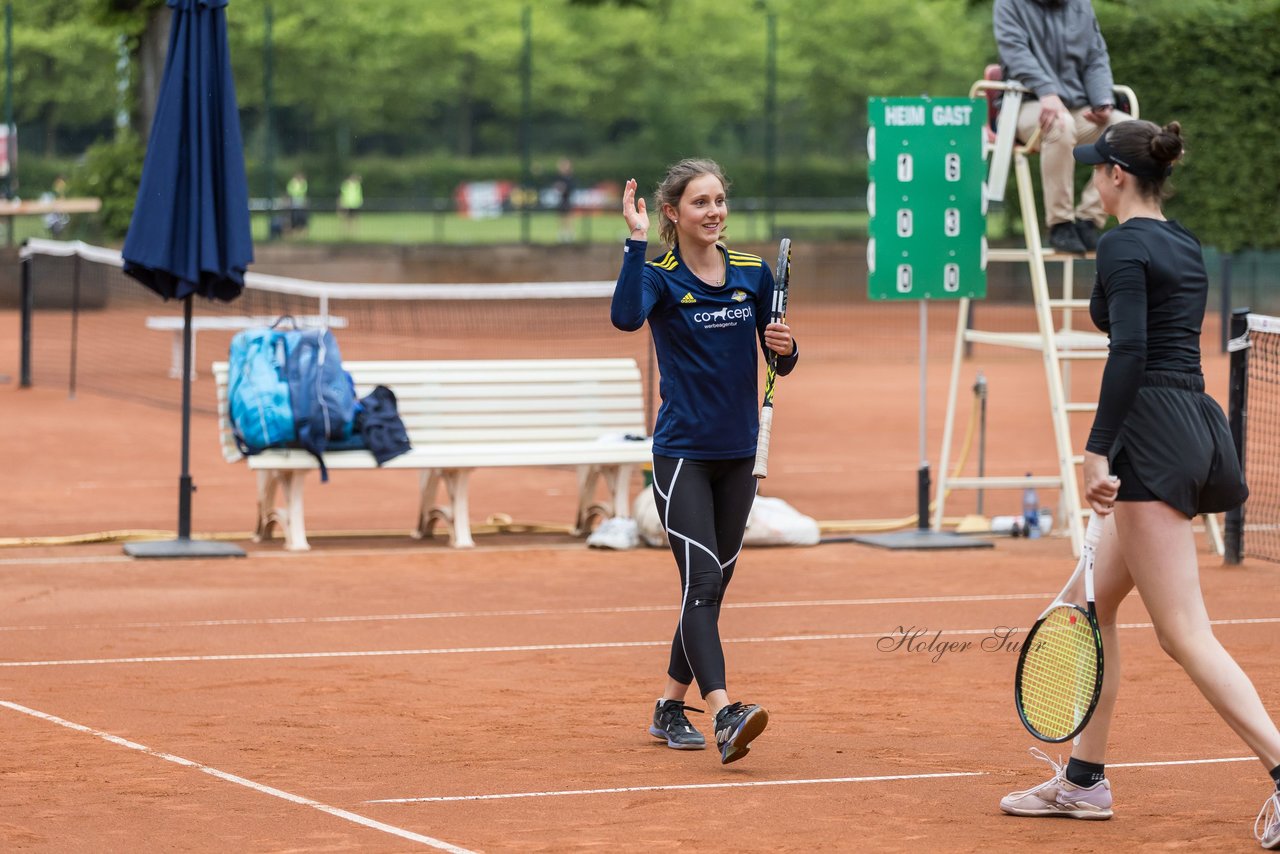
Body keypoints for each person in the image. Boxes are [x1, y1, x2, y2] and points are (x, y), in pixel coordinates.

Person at [998, 120, 1280, 850]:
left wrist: (1098, 451)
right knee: (1087, 611)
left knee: (1184, 632)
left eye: (1096, 171)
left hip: (1149, 435)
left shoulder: (1121, 244)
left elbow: (1129, 350)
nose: (1092, 181)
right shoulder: (1184, 242)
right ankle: (1084, 781)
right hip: (1192, 422)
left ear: (1116, 177)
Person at [611, 159, 798, 765]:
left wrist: (788, 349)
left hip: (740, 454)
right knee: (704, 582)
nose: (714, 212)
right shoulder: (659, 276)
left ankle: (669, 707)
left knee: (708, 590)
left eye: (719, 200)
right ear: (672, 213)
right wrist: (635, 243)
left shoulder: (752, 273)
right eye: (700, 203)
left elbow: (782, 359)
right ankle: (724, 712)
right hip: (682, 454)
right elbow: (624, 317)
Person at [994, 0, 1132, 254]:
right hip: (1025, 105)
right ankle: (1060, 224)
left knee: (1128, 131)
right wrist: (1047, 92)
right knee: (1060, 123)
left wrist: (1102, 100)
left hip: (1076, 108)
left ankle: (1089, 221)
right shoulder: (1008, 3)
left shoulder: (1081, 5)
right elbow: (1015, 53)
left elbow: (1096, 56)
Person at [553, 158, 575, 243]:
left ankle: (569, 234)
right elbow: (556, 186)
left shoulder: (570, 177)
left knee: (568, 217)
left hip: (567, 199)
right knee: (561, 217)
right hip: (560, 199)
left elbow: (570, 187)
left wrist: (563, 188)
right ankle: (562, 234)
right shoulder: (558, 177)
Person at [286, 171, 309, 235]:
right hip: (294, 202)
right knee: (294, 217)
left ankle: (301, 231)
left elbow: (304, 193)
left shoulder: (303, 182)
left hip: (301, 202)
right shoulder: (292, 182)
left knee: (302, 217)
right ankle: (294, 231)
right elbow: (290, 192)